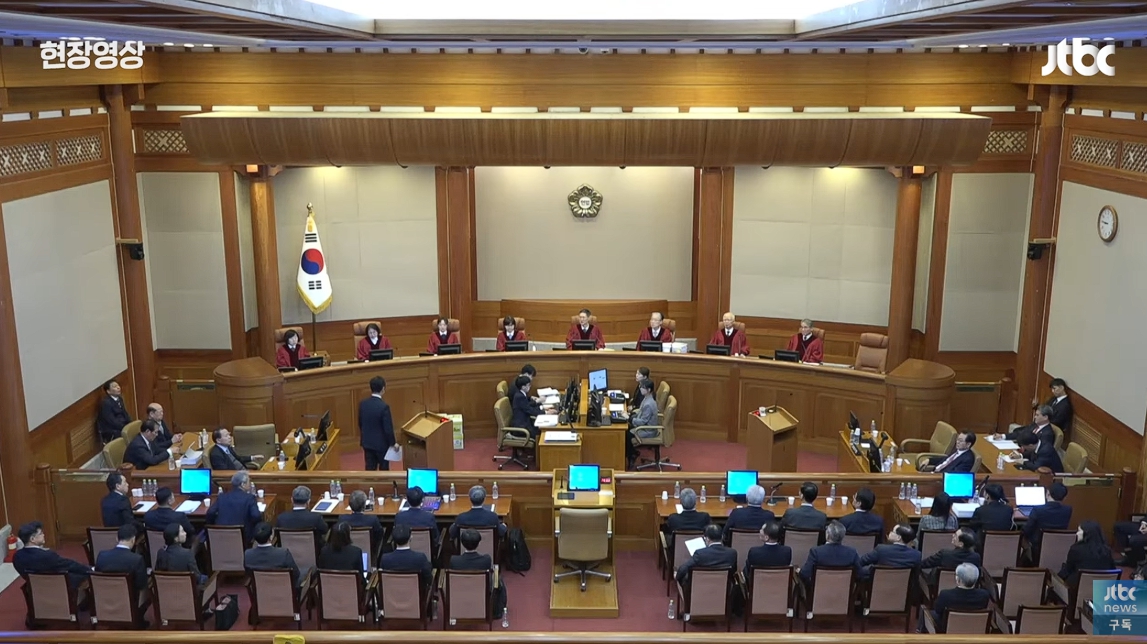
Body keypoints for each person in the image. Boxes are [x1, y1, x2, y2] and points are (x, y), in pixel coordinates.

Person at [13, 521, 91, 588]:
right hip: (59, 588)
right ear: (32, 539)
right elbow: (69, 565)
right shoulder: (47, 556)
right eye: (41, 534)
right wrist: (89, 569)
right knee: (83, 576)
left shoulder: (17, 557)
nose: (43, 535)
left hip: (37, 590)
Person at [95, 524, 149, 619]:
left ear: (117, 539)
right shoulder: (136, 559)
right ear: (133, 540)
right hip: (128, 600)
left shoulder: (102, 556)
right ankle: (138, 619)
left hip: (106, 598)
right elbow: (141, 584)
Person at [450, 529, 507, 618]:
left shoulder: (454, 560)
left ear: (462, 543)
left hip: (460, 592)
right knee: (497, 577)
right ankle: (497, 611)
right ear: (478, 543)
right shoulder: (486, 559)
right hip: (481, 593)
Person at [925, 563, 990, 633]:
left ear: (958, 579)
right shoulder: (984, 595)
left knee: (926, 613)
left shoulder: (945, 595)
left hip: (948, 628)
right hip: (975, 628)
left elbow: (937, 610)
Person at [244, 522, 304, 587]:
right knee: (306, 572)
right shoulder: (283, 553)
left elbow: (249, 573)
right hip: (283, 588)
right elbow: (296, 574)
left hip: (261, 589)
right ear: (271, 537)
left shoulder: (248, 554)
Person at [205, 471, 262, 538]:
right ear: (243, 484)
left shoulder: (222, 497)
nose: (250, 484)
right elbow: (256, 516)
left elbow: (210, 512)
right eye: (249, 481)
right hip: (242, 537)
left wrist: (213, 526)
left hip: (220, 537)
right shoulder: (250, 498)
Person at [358, 376, 396, 471]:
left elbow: (360, 423)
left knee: (370, 470)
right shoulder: (384, 407)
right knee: (384, 470)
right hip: (381, 446)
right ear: (383, 389)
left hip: (367, 443)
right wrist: (393, 443)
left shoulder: (363, 404)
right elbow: (388, 429)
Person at [1022, 482, 1072, 552]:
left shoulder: (1038, 510)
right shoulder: (1068, 510)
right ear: (1064, 497)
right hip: (1058, 546)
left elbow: (1027, 530)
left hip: (1038, 547)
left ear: (1047, 493)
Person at [380, 524, 432, 588]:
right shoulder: (420, 558)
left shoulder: (385, 559)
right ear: (410, 538)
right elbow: (429, 580)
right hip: (415, 593)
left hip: (392, 593)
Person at [625, 379, 659, 468]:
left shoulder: (648, 404)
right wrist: (631, 415)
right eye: (641, 387)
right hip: (644, 426)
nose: (640, 389)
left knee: (627, 435)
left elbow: (643, 422)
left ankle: (631, 455)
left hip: (648, 430)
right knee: (626, 429)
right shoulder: (647, 398)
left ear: (649, 390)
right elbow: (641, 412)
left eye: (643, 387)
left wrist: (630, 419)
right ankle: (632, 453)